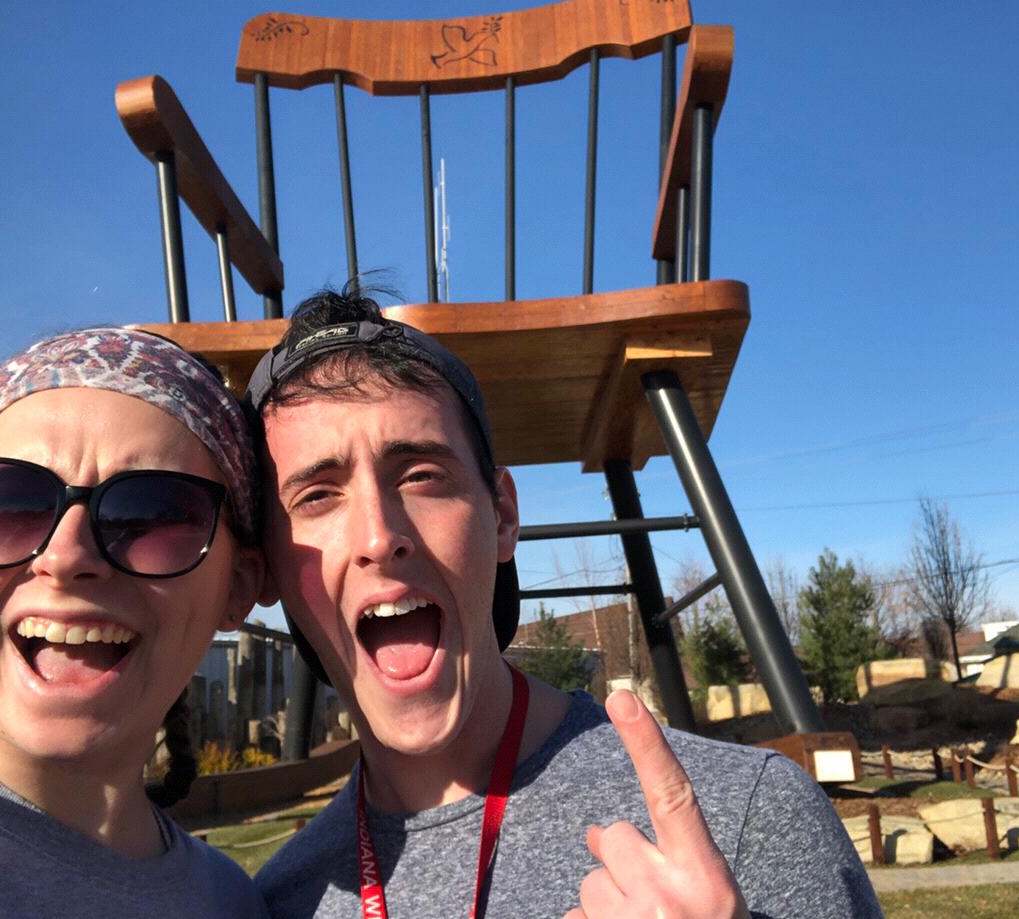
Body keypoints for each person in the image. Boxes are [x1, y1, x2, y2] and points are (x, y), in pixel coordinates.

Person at [250, 285, 881, 918]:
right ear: (267, 569)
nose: (379, 537)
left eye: (421, 476)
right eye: (317, 496)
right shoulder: (278, 902)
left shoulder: (744, 826)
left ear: (502, 516)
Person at [0, 328, 269, 918]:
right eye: (9, 506)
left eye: (150, 514)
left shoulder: (232, 903)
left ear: (239, 586)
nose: (66, 557)